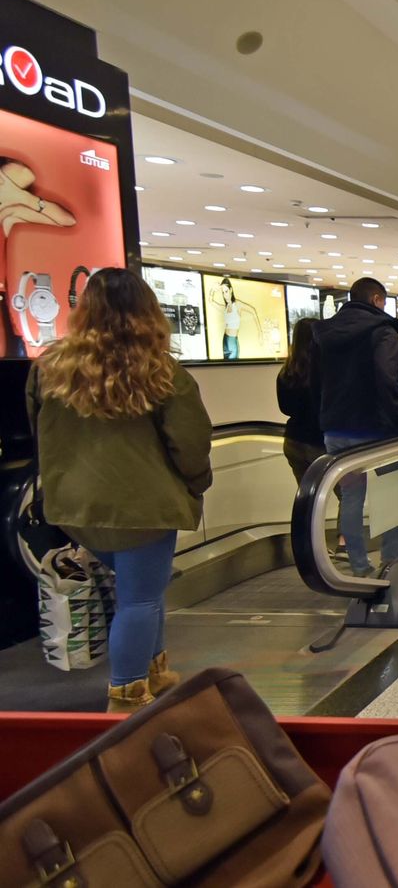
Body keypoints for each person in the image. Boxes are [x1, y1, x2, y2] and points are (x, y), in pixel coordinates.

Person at [26, 268, 212, 711]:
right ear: (147, 311)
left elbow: (40, 433)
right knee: (140, 598)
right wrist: (196, 483)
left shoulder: (49, 369)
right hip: (142, 509)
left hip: (75, 507)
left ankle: (155, 670)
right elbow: (190, 441)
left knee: (144, 591)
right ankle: (126, 694)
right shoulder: (161, 370)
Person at [313, 277, 398, 576]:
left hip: (336, 429)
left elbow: (317, 382)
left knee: (351, 498)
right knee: (391, 494)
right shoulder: (383, 332)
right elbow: (387, 381)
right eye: (384, 302)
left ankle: (360, 566)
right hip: (377, 431)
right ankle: (390, 561)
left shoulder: (327, 333)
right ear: (376, 299)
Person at [277, 318, 324, 485]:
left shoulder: (286, 371)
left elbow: (285, 408)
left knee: (306, 498)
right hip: (319, 442)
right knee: (347, 495)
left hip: (293, 440)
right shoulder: (322, 370)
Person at [208, 278, 260, 360]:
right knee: (225, 368)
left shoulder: (238, 304)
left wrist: (260, 332)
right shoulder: (225, 308)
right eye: (223, 292)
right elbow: (210, 301)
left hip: (233, 341)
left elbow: (253, 311)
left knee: (233, 367)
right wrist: (213, 289)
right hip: (225, 340)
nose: (225, 295)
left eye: (226, 291)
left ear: (231, 290)